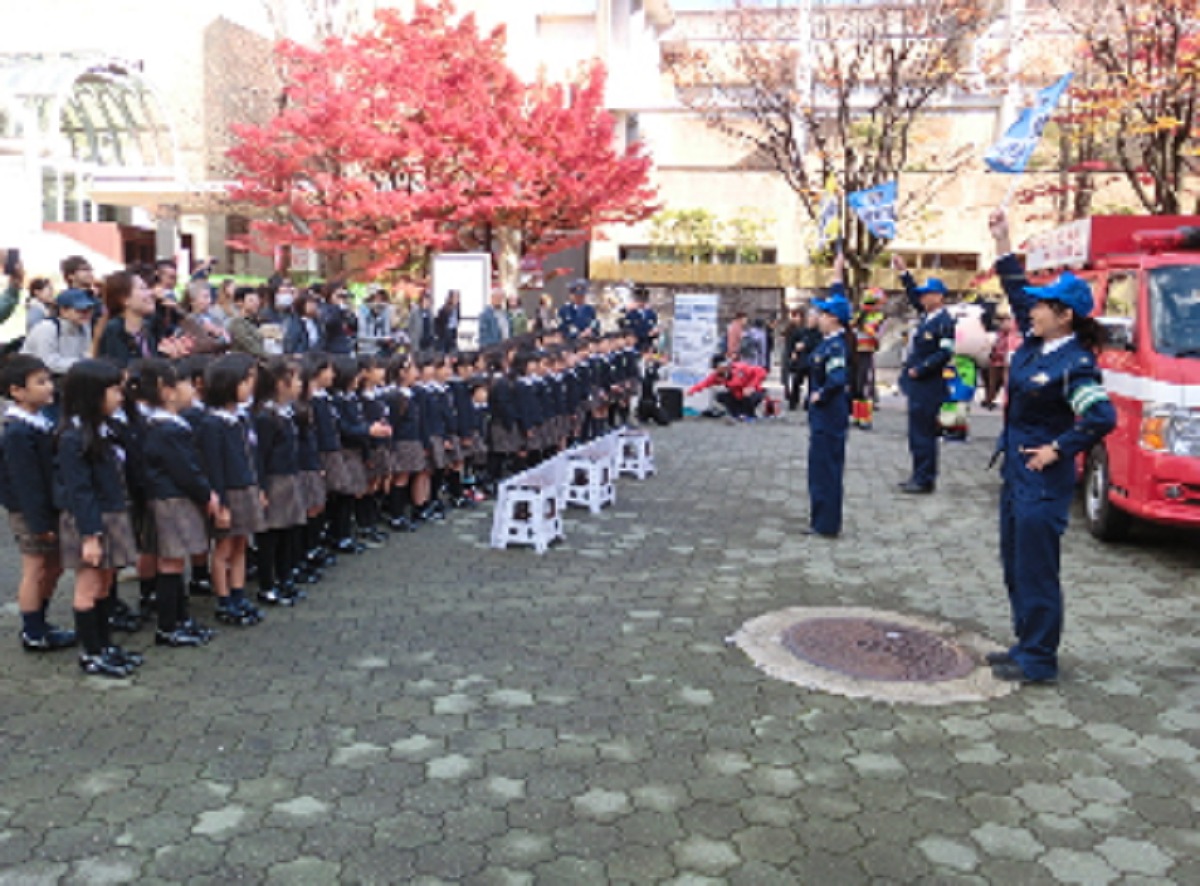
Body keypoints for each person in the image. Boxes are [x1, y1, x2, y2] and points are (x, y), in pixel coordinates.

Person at [985, 208, 1117, 683]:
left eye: (1044, 305)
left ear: (1065, 315)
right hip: (1015, 475)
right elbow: (1018, 291)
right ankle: (1025, 644)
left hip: (1042, 480)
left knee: (1038, 569)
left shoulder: (1076, 365)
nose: (1032, 309)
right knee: (1016, 564)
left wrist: (1059, 448)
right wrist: (1003, 239)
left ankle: (1040, 659)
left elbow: (1102, 416)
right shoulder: (1037, 343)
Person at [56, 359, 142, 678]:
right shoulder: (71, 437)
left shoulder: (106, 428)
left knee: (107, 581)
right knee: (89, 584)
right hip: (90, 520)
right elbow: (80, 491)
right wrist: (89, 536)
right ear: (92, 393)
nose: (121, 396)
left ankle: (106, 645)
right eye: (114, 390)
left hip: (113, 513)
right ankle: (91, 653)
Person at [138, 359, 220, 647]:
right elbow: (186, 469)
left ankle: (181, 619)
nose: (192, 389)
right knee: (171, 562)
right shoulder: (165, 429)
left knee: (176, 560)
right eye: (184, 384)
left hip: (173, 498)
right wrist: (205, 494)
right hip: (171, 499)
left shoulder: (169, 425)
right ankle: (168, 626)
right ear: (167, 392)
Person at [0, 354, 73, 651]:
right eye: (40, 382)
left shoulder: (41, 422)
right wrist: (39, 522)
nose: (49, 388)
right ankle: (32, 630)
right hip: (31, 511)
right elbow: (25, 482)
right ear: (17, 391)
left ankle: (41, 621)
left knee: (53, 566)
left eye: (49, 380)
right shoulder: (18, 431)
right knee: (35, 567)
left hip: (48, 507)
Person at [196, 354, 266, 627]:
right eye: (245, 381)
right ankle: (224, 599)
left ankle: (239, 594)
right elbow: (213, 467)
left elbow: (253, 455)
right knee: (223, 547)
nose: (250, 387)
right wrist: (221, 503)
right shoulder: (212, 423)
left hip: (246, 487)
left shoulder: (242, 418)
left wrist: (258, 487)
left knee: (241, 545)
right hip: (229, 493)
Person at [893, 256, 956, 493]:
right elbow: (911, 294)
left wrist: (921, 368)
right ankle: (919, 474)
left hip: (929, 384)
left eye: (927, 293)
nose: (922, 297)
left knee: (924, 434)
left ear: (939, 296)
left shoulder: (945, 321)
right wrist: (903, 273)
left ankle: (925, 478)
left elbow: (945, 353)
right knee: (916, 433)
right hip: (918, 384)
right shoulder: (928, 316)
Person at [806, 264, 853, 538]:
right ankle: (820, 520)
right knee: (820, 469)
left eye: (823, 313)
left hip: (829, 416)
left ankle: (825, 524)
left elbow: (837, 378)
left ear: (834, 318)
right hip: (824, 417)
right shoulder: (828, 342)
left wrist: (819, 394)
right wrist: (836, 276)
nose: (819, 317)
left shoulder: (835, 345)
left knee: (826, 470)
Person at [95, 270, 192, 366]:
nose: (150, 293)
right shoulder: (114, 330)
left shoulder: (147, 330)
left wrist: (171, 357)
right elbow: (124, 371)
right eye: (143, 288)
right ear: (125, 299)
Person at [21, 288, 98, 379]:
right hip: (34, 378)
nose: (86, 313)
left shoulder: (84, 326)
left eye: (89, 309)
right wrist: (84, 364)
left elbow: (85, 354)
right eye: (80, 310)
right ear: (63, 311)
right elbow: (48, 363)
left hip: (67, 375)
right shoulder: (47, 328)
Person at [687, 357, 768, 421]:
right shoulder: (717, 375)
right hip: (737, 395)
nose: (716, 370)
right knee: (720, 396)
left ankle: (750, 415)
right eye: (715, 368)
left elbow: (761, 372)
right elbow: (704, 383)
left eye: (717, 367)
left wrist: (751, 386)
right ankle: (736, 415)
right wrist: (691, 391)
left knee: (747, 396)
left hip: (753, 393)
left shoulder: (740, 368)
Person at [851, 288, 887, 429]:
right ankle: (856, 416)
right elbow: (851, 325)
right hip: (855, 352)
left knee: (864, 385)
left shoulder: (879, 317)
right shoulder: (859, 315)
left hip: (866, 352)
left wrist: (865, 326)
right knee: (856, 385)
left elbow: (876, 333)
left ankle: (865, 418)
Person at [227, 287, 266, 356]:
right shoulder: (237, 323)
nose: (256, 303)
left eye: (257, 300)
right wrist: (274, 357)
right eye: (251, 300)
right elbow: (251, 347)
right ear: (239, 303)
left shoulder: (252, 320)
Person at [623, 287, 659, 353]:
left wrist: (655, 333)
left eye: (644, 300)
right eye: (639, 300)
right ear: (635, 300)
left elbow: (655, 328)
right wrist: (646, 334)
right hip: (635, 346)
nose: (642, 302)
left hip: (648, 346)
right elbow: (627, 330)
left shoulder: (652, 314)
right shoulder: (630, 314)